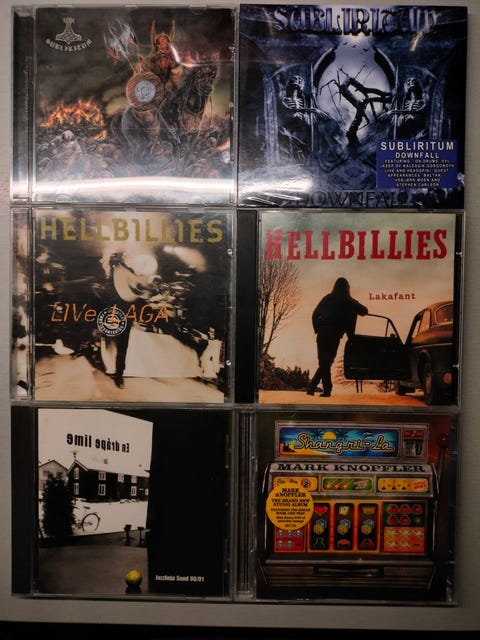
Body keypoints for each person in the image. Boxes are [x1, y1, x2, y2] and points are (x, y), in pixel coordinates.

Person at [306, 277, 368, 398]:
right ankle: (322, 388)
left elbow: (315, 314)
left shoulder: (328, 299)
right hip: (334, 337)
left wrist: (318, 328)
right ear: (347, 288)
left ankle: (315, 386)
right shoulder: (350, 302)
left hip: (322, 335)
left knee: (324, 363)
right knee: (326, 363)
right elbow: (364, 311)